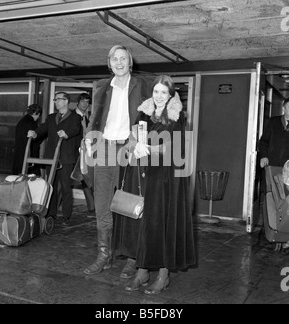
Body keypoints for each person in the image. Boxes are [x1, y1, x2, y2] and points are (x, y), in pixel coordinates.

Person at [115, 75, 196, 295]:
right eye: (156, 92)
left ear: (170, 95)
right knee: (142, 223)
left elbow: (174, 149)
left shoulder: (175, 116)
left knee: (161, 223)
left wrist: (150, 149)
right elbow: (133, 136)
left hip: (165, 178)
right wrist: (133, 145)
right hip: (142, 174)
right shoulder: (144, 113)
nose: (159, 96)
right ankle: (141, 272)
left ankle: (163, 275)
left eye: (163, 92)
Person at [83, 45, 153, 276]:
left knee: (129, 204)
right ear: (109, 62)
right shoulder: (102, 86)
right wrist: (88, 140)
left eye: (123, 58)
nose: (119, 62)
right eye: (115, 58)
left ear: (130, 61)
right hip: (104, 148)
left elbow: (152, 115)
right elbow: (95, 118)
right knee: (102, 205)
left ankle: (133, 258)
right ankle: (105, 255)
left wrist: (142, 141)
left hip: (129, 148)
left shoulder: (143, 84)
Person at [28, 91, 81, 226]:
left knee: (65, 187)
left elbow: (75, 129)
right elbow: (43, 129)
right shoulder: (51, 117)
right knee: (50, 186)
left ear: (66, 101)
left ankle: (66, 215)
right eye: (55, 99)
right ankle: (51, 213)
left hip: (66, 158)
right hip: (51, 157)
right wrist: (35, 133)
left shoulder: (75, 117)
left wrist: (66, 133)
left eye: (59, 99)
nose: (56, 102)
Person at [72, 93, 95, 213]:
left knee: (85, 177)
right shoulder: (72, 116)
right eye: (83, 101)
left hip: (84, 152)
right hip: (73, 152)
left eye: (87, 102)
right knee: (65, 181)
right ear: (78, 102)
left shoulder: (87, 117)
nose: (85, 104)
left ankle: (92, 206)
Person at [12, 104, 42, 175]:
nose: (37, 118)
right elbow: (36, 140)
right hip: (28, 156)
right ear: (36, 113)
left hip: (19, 154)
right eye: (38, 116)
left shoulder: (21, 122)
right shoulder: (32, 123)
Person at [259, 97, 289, 168]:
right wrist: (263, 156)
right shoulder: (273, 122)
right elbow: (264, 141)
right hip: (273, 164)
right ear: (284, 108)